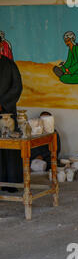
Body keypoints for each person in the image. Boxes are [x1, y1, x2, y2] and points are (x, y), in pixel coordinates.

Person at [0, 44, 23, 193]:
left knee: (9, 147)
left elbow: (17, 87)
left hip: (6, 113)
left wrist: (2, 103)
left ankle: (12, 184)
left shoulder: (9, 65)